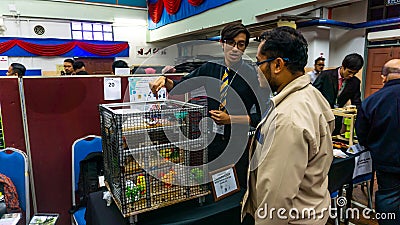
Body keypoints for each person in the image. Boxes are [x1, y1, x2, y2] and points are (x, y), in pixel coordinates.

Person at [149, 23, 267, 187]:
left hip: (238, 143)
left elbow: (263, 115)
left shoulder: (251, 75)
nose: (235, 48)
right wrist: (165, 80)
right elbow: (182, 85)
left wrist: (231, 119)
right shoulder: (210, 68)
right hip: (211, 139)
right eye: (231, 43)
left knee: (237, 186)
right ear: (222, 43)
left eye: (241, 44)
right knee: (212, 184)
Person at [241, 26, 334, 225]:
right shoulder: (313, 95)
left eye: (259, 63)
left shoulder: (287, 119)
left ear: (277, 65)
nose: (257, 70)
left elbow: (276, 198)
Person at [355, 59, 400, 225]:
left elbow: (362, 135)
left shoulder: (371, 101)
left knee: (388, 198)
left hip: (386, 162)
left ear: (383, 77)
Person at [313, 53, 363, 135]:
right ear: (343, 66)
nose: (351, 75)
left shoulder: (355, 82)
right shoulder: (326, 75)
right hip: (321, 116)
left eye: (355, 73)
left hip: (337, 120)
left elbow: (357, 102)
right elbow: (313, 93)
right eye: (349, 72)